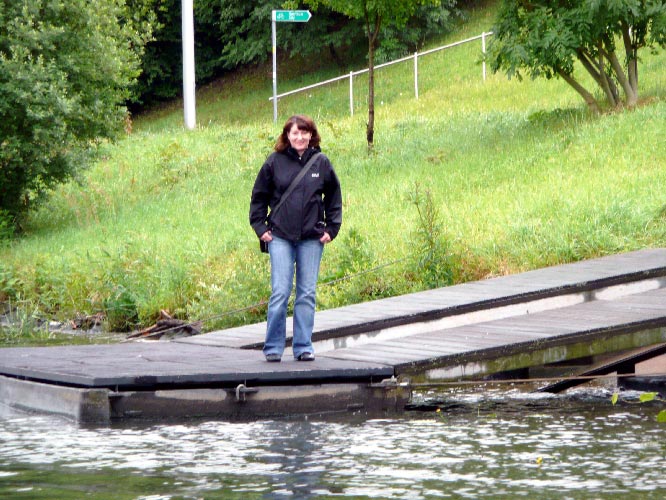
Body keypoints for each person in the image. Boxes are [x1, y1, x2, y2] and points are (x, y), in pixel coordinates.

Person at [249, 115, 342, 362]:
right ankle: (273, 347)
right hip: (280, 236)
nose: (299, 137)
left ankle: (303, 347)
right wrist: (260, 227)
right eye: (294, 133)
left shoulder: (321, 163)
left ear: (311, 134)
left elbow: (334, 197)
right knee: (280, 292)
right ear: (287, 136)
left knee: (307, 294)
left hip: (311, 238)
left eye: (304, 132)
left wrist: (331, 229)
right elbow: (258, 197)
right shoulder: (274, 162)